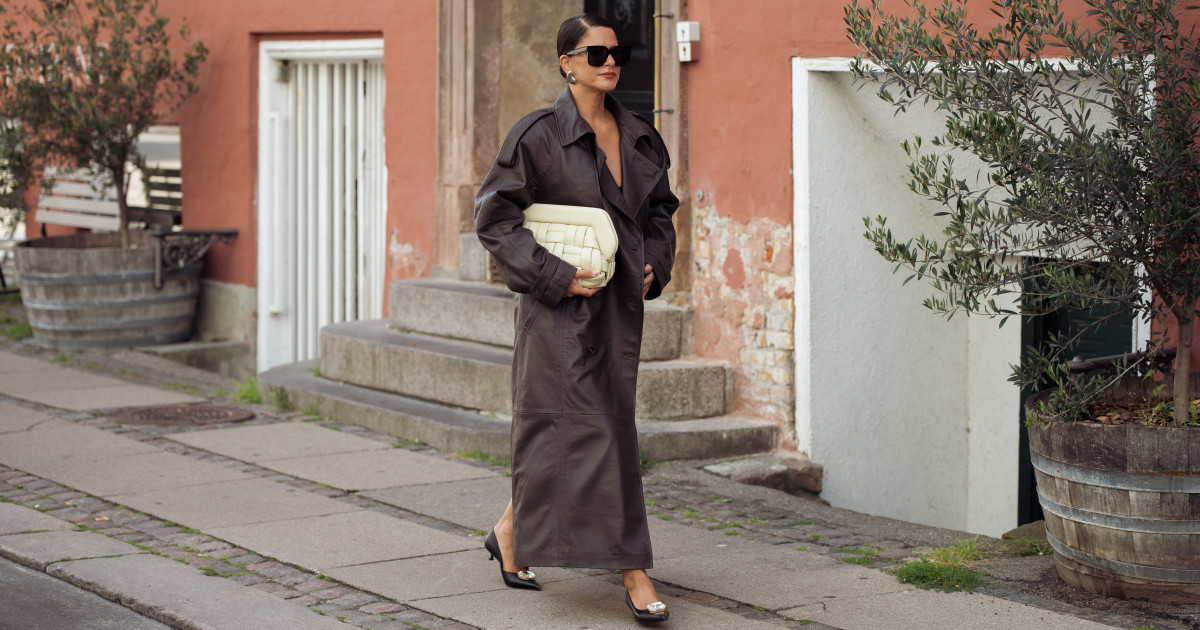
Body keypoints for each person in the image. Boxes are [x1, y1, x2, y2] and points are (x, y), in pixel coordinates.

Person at [474, 12, 679, 624]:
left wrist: (657, 263)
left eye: (618, 53)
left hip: (619, 309)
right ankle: (634, 571)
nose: (610, 62)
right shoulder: (536, 136)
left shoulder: (641, 136)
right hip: (559, 313)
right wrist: (553, 275)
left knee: (582, 431)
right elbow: (494, 219)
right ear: (566, 63)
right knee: (599, 435)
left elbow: (661, 213)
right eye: (596, 54)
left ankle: (510, 531)